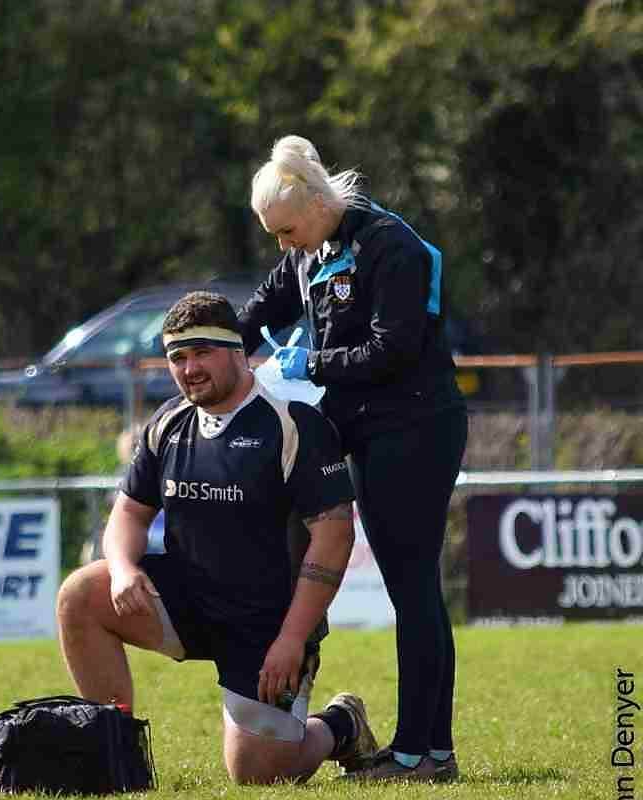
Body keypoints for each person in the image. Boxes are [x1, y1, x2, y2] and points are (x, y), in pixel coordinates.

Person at [57, 290, 380, 785]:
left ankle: (340, 726)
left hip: (267, 625)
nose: (189, 369)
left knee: (256, 775)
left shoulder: (292, 424)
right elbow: (128, 515)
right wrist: (123, 570)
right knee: (80, 594)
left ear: (237, 350)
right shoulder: (167, 424)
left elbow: (333, 537)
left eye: (202, 353)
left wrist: (293, 639)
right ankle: (114, 757)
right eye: (177, 358)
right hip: (186, 600)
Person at [237, 135, 468, 783]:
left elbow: (390, 349)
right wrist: (216, 344)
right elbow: (262, 310)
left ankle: (425, 753)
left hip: (415, 427)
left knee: (414, 586)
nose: (283, 246)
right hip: (361, 429)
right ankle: (424, 751)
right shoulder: (312, 250)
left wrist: (309, 362)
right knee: (411, 589)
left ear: (315, 203)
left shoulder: (389, 246)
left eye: (285, 231)